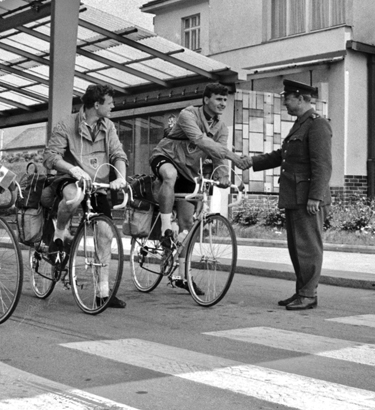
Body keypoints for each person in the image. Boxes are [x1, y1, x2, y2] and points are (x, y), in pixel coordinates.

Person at [149, 83, 252, 292]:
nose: (223, 103)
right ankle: (165, 227)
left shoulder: (221, 128)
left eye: (225, 100)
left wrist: (223, 175)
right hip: (165, 157)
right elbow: (200, 140)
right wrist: (234, 157)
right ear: (206, 99)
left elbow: (217, 156)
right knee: (170, 174)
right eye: (218, 99)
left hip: (188, 171)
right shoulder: (188, 114)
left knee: (187, 225)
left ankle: (182, 275)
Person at [43, 84, 129, 308]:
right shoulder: (66, 124)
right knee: (74, 198)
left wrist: (120, 176)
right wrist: (72, 169)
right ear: (96, 105)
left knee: (105, 234)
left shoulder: (108, 126)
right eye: (109, 102)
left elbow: (118, 153)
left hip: (97, 184)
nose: (113, 106)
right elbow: (51, 156)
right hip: (71, 178)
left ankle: (103, 292)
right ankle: (59, 234)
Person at [249, 79, 332, 310]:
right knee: (297, 248)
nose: (284, 102)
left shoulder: (318, 124)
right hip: (295, 196)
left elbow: (322, 165)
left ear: (302, 98)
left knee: (308, 247)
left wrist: (315, 196)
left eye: (287, 97)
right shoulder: (300, 124)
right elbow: (282, 156)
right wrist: (252, 161)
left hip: (308, 198)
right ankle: (302, 292)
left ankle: (308, 294)